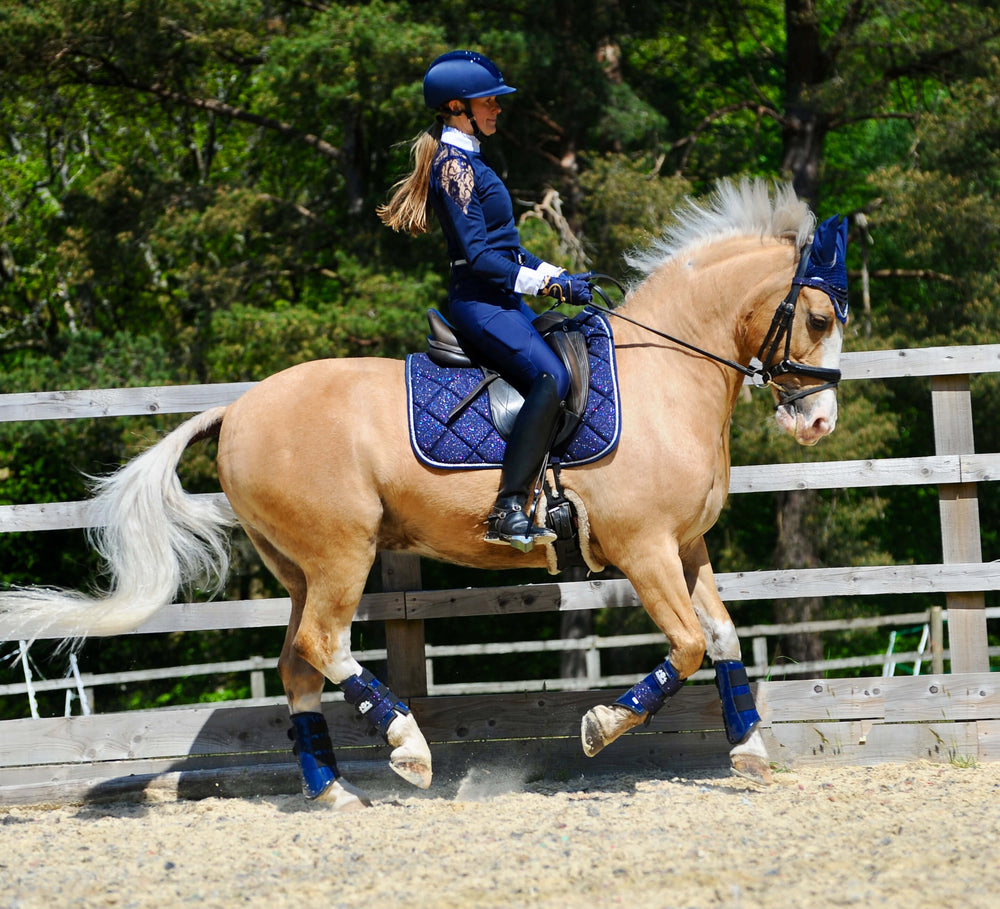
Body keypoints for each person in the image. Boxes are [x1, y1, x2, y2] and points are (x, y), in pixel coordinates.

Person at [378, 50, 592, 552]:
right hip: (480, 304)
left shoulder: (469, 158)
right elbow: (478, 257)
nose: (497, 108)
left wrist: (559, 275)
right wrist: (546, 286)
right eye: (488, 101)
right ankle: (509, 508)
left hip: (504, 301)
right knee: (551, 377)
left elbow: (507, 247)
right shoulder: (453, 167)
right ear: (457, 106)